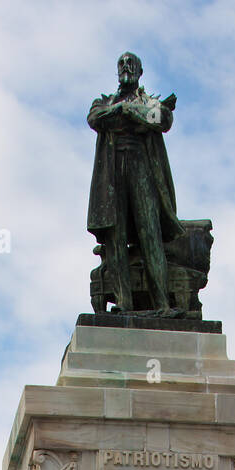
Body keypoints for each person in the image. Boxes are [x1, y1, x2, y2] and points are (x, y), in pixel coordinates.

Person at [87, 52, 185, 315]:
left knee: (149, 232)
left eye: (131, 64)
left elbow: (163, 119)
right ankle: (124, 303)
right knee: (114, 236)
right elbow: (96, 118)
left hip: (142, 168)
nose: (126, 67)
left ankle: (163, 303)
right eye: (121, 63)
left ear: (140, 71)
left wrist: (132, 111)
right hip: (112, 172)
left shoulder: (148, 101)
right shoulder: (105, 101)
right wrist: (125, 111)